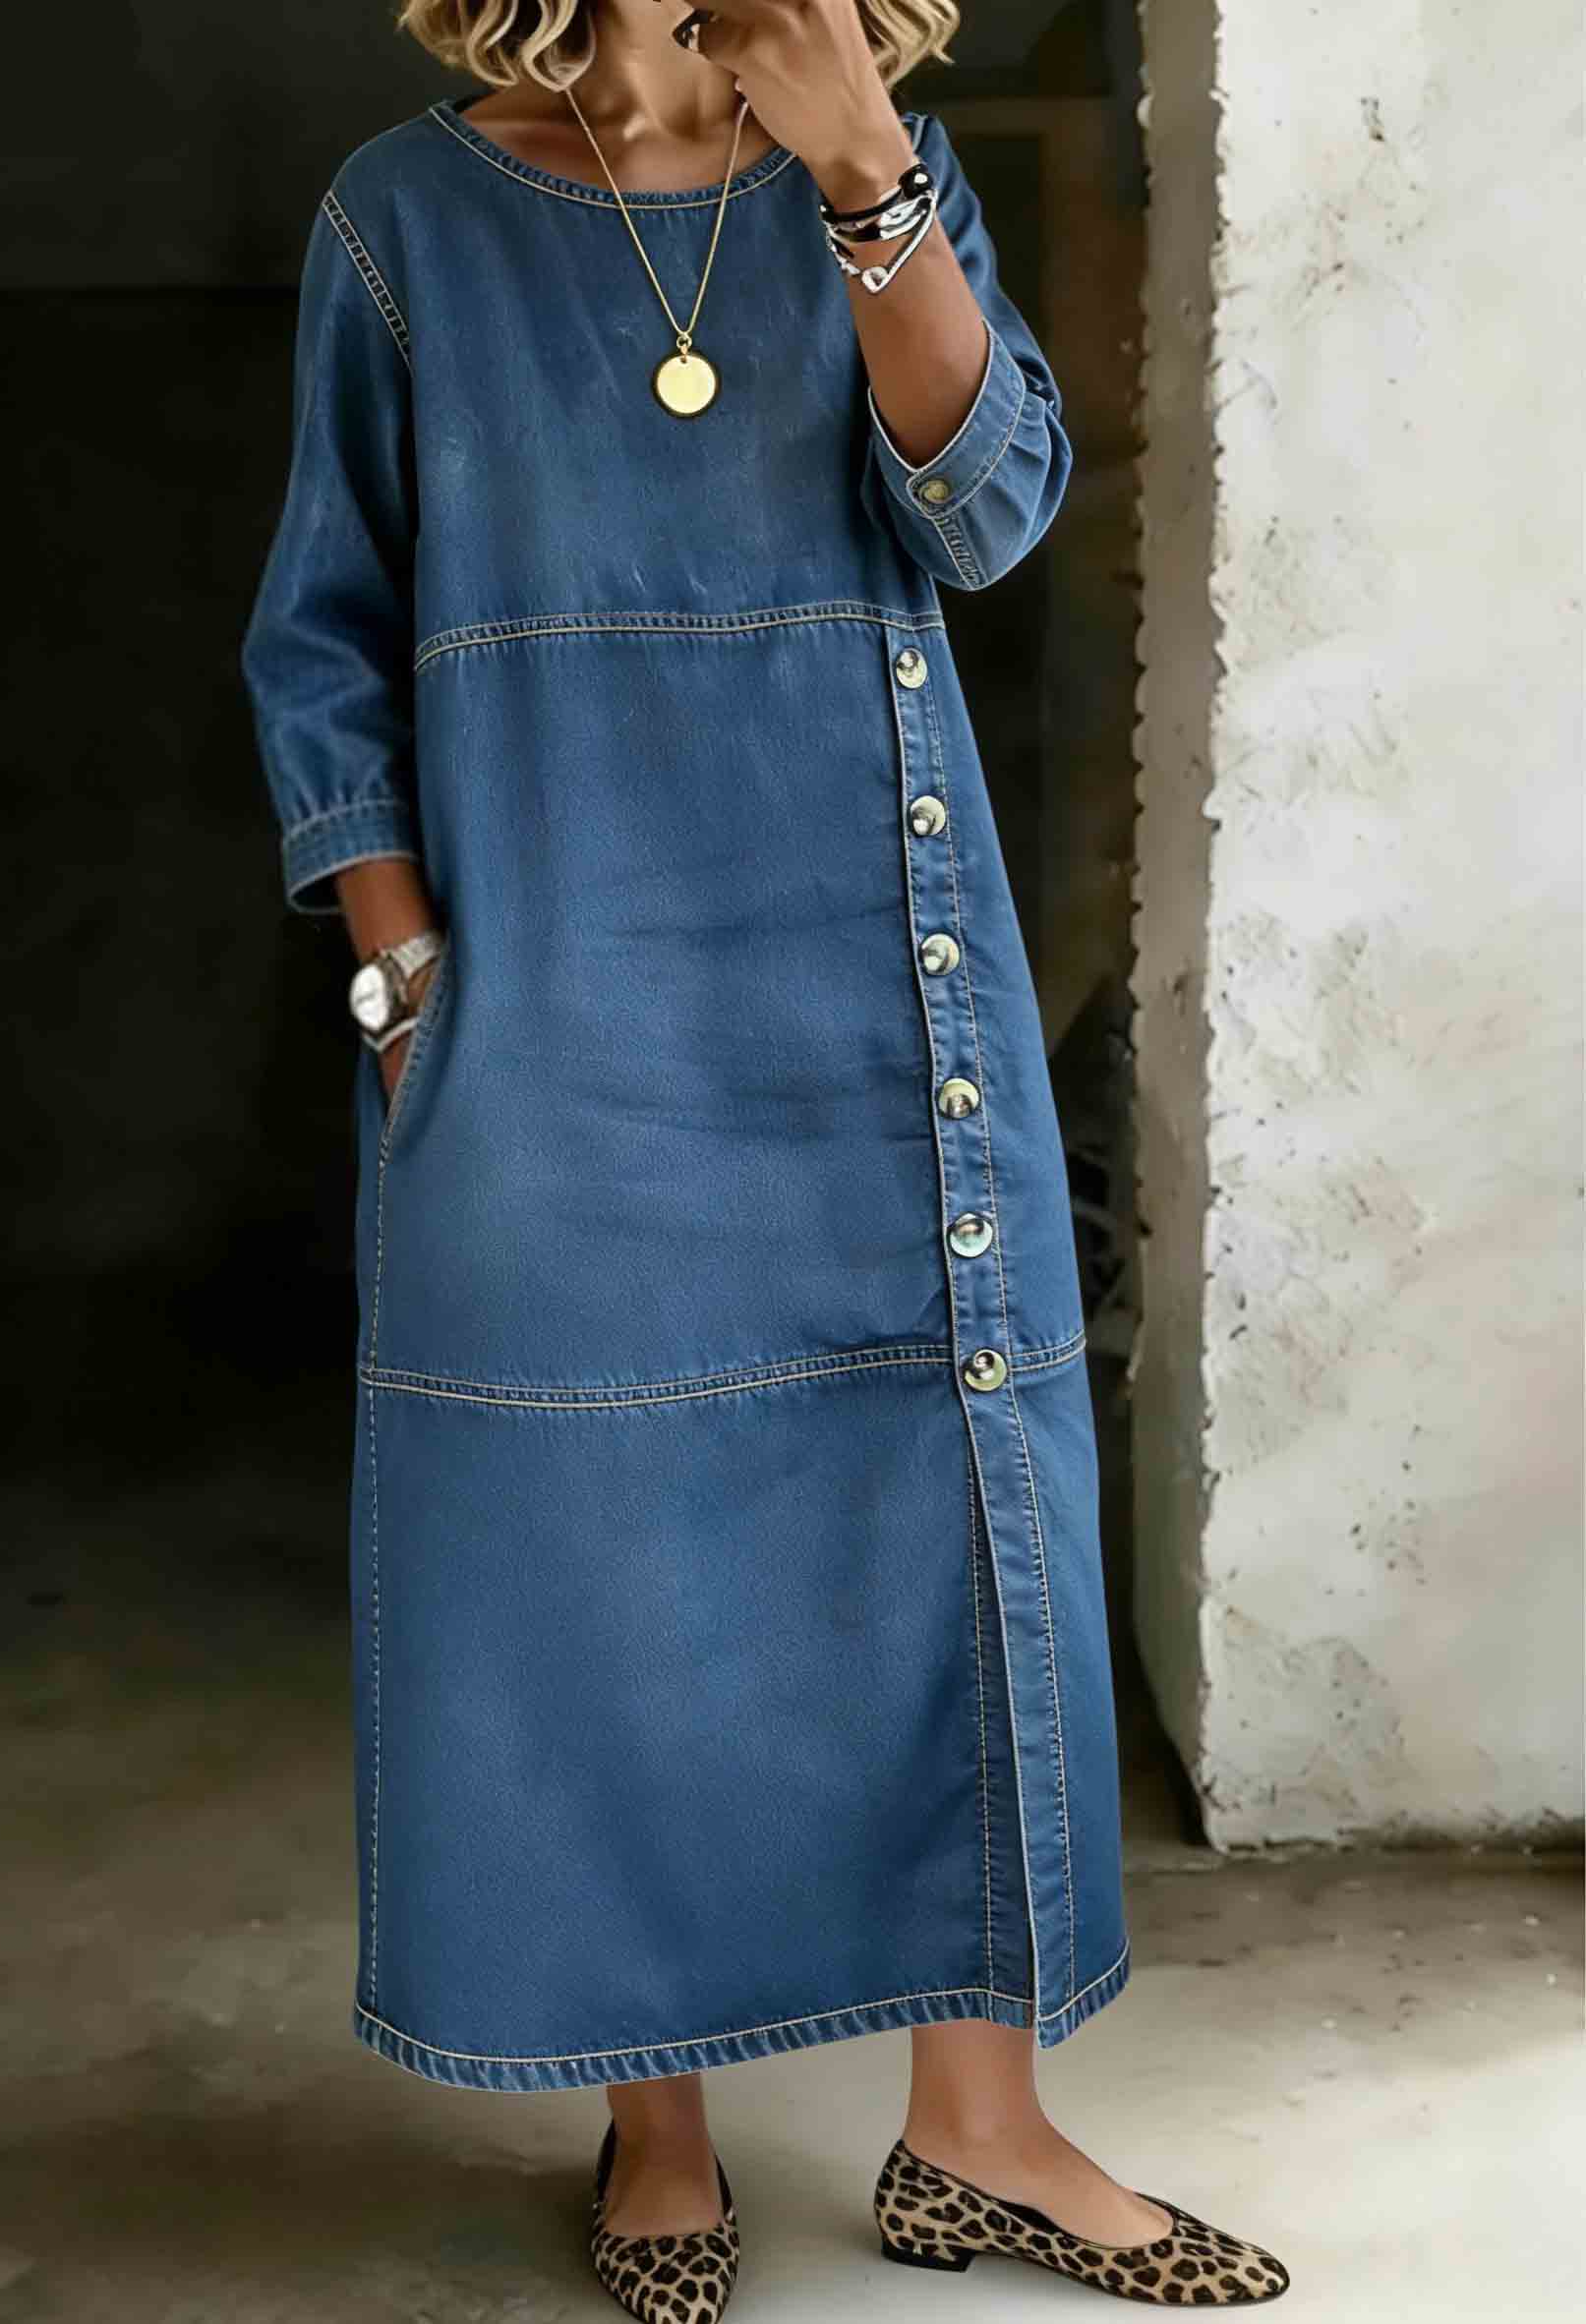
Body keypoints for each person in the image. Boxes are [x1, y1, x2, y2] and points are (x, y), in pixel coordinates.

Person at [240, 3, 1291, 2316]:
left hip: (874, 982)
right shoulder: (406, 217)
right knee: (599, 1541)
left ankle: (977, 2131)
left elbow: (986, 508)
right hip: (551, 990)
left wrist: (862, 180)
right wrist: (406, 979)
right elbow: (321, 638)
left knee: (943, 1504)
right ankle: (658, 2127)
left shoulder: (872, 166)